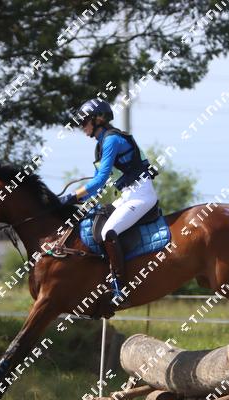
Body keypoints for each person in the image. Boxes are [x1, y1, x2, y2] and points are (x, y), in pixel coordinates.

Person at [60, 98, 158, 304]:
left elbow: (100, 179)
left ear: (98, 119)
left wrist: (72, 196)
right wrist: (77, 200)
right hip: (127, 196)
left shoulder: (112, 140)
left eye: (84, 121)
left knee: (108, 232)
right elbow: (98, 185)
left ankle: (120, 287)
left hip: (141, 195)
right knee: (94, 220)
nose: (81, 126)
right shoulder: (101, 144)